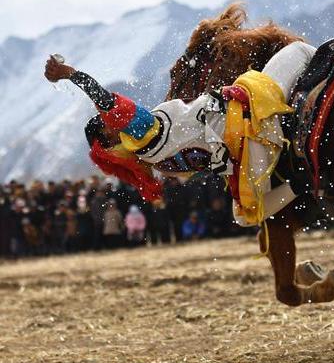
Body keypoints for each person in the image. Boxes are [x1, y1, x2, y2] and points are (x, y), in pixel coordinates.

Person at [44, 41, 317, 228]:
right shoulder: (139, 133)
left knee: (245, 215)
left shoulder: (153, 162)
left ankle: (301, 183)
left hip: (248, 155)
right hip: (246, 112)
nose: (108, 118)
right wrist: (71, 74)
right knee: (300, 50)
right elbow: (104, 99)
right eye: (104, 122)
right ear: (108, 136)